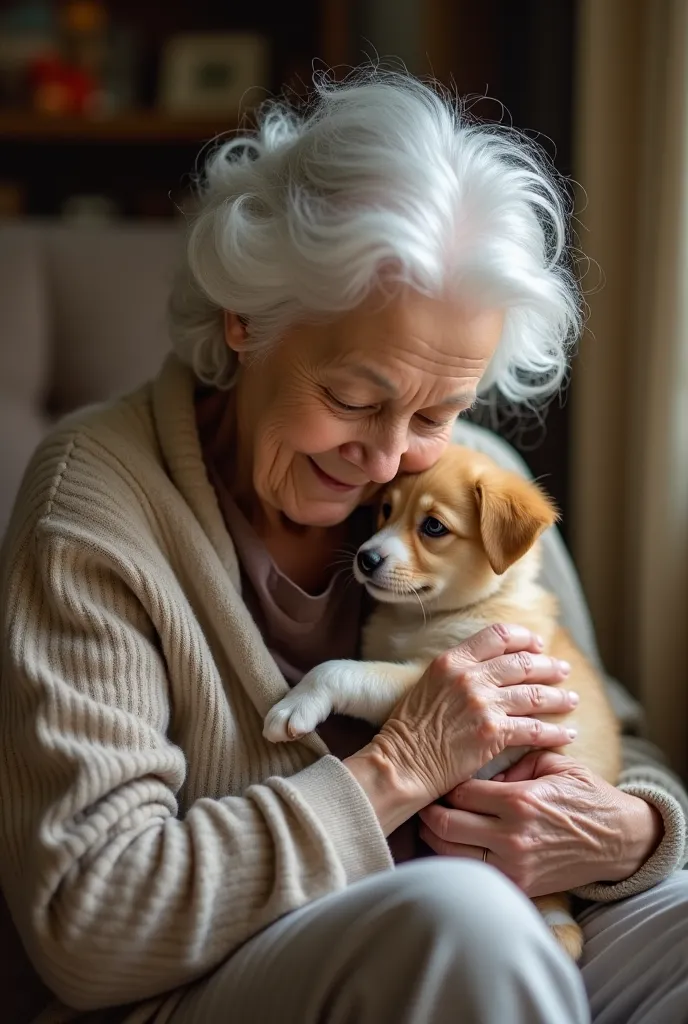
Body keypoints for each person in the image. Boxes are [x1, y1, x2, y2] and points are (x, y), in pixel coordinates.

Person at [0, 71, 686, 1024]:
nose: (388, 457)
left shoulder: (469, 479)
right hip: (206, 983)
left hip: (511, 920)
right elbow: (92, 918)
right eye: (355, 401)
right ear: (247, 319)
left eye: (438, 410)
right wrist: (399, 767)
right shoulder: (96, 504)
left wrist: (628, 832)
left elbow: (613, 731)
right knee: (469, 926)